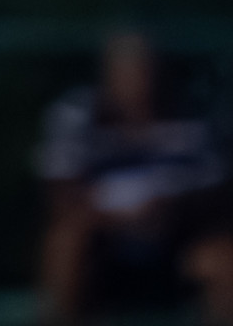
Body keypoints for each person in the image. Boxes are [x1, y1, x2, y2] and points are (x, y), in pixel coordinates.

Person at [37, 31, 224, 323]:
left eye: (143, 69)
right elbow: (61, 193)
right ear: (107, 74)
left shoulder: (191, 116)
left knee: (223, 257)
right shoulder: (78, 115)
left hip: (176, 239)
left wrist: (167, 210)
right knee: (66, 242)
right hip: (104, 239)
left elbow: (216, 191)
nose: (136, 80)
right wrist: (116, 218)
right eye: (125, 70)